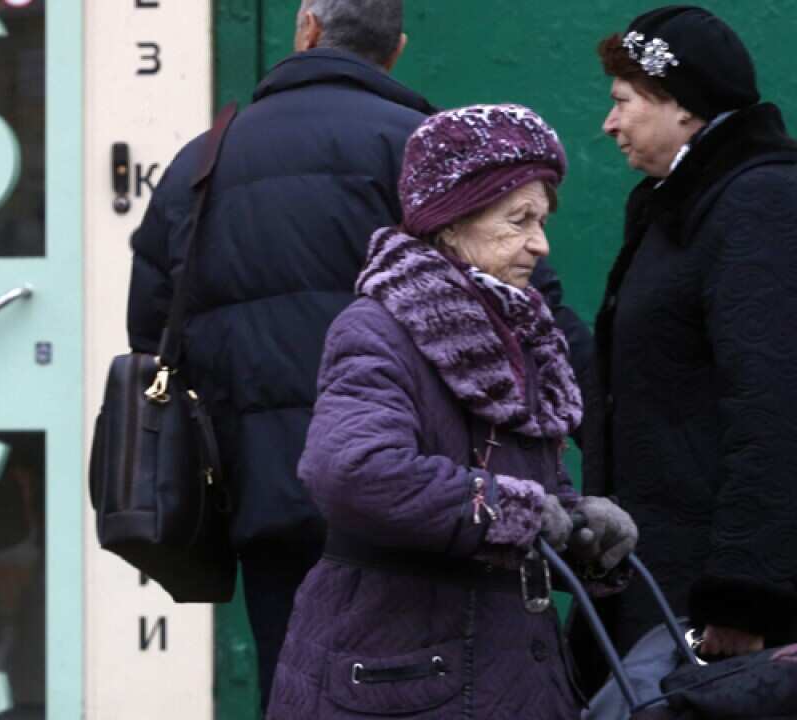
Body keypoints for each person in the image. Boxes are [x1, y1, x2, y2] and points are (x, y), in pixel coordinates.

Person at [126, 0, 593, 708]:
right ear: (396, 49)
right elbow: (536, 317)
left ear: (307, 27)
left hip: (263, 489)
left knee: (302, 681)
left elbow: (151, 328)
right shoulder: (423, 149)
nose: (535, 239)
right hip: (432, 494)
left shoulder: (204, 159)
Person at [266, 105, 637, 719]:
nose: (540, 244)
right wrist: (514, 512)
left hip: (499, 667)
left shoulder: (518, 328)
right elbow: (350, 470)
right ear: (453, 220)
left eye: (542, 221)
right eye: (518, 220)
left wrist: (577, 525)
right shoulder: (379, 329)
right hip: (400, 678)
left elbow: (519, 485)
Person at [577, 5, 797, 677]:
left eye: (623, 101)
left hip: (710, 602)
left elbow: (774, 405)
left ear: (680, 105)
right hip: (658, 577)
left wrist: (743, 595)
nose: (609, 123)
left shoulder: (759, 203)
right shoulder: (682, 201)